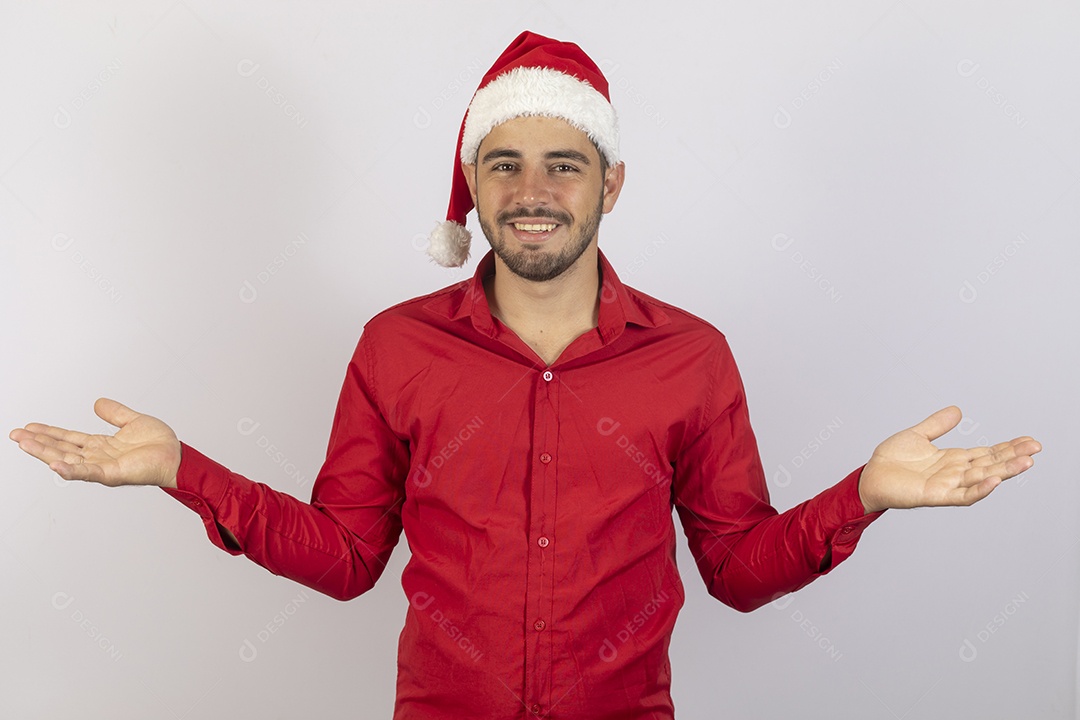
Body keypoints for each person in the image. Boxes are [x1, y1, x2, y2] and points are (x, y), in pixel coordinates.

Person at [9, 31, 1041, 720]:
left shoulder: (690, 357)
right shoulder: (396, 348)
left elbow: (736, 571)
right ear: (471, 183)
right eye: (504, 163)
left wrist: (861, 496)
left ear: (613, 184)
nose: (534, 190)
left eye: (566, 163)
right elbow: (343, 556)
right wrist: (181, 470)